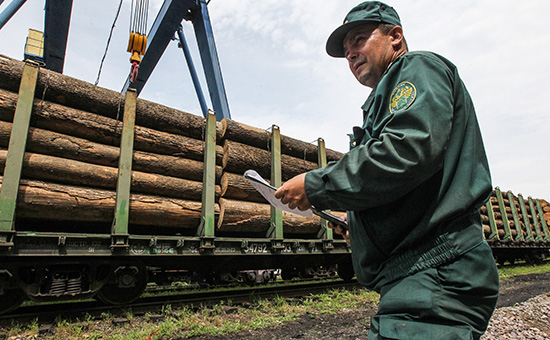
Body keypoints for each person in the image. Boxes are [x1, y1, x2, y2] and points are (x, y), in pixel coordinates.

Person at [274, 1, 499, 339]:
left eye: (360, 39)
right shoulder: (388, 93)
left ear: (395, 36)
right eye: (346, 51)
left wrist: (316, 184)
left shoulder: (417, 69)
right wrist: (360, 222)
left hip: (435, 268)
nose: (350, 54)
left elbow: (407, 151)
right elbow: (407, 181)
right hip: (418, 273)